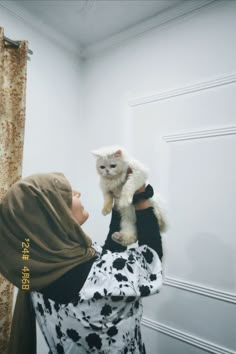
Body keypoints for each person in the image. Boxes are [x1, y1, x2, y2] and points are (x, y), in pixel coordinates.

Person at [0, 172, 163, 354]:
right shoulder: (95, 277)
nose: (77, 193)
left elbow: (109, 258)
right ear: (53, 216)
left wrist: (120, 204)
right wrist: (141, 196)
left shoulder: (33, 270)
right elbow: (151, 258)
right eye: (68, 193)